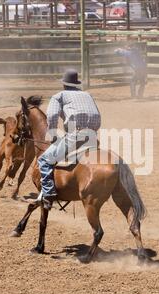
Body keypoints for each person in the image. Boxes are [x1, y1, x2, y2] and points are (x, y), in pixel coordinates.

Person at [35, 70, 101, 210]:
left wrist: (52, 134)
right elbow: (97, 114)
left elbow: (52, 116)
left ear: (64, 85)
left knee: (44, 160)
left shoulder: (59, 96)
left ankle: (48, 194)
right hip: (93, 136)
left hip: (75, 136)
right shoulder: (87, 94)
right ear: (76, 84)